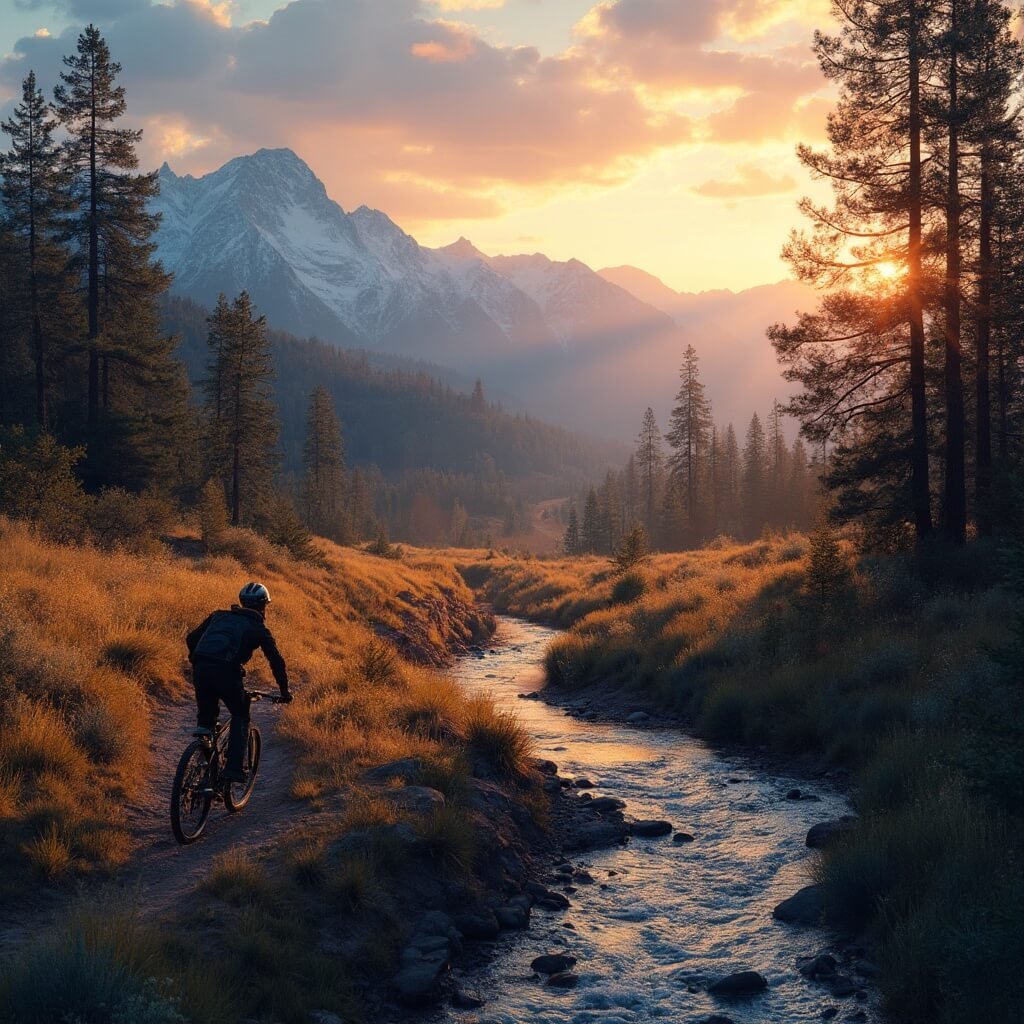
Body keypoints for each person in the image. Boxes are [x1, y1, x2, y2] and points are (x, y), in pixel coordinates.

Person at [186, 582, 292, 785]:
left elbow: (191, 639)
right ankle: (233, 770)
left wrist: (197, 660)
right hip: (226, 673)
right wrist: (284, 691)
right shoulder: (259, 628)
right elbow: (276, 661)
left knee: (206, 720)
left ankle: (204, 753)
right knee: (241, 713)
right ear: (263, 606)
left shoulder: (219, 615)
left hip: (201, 669)